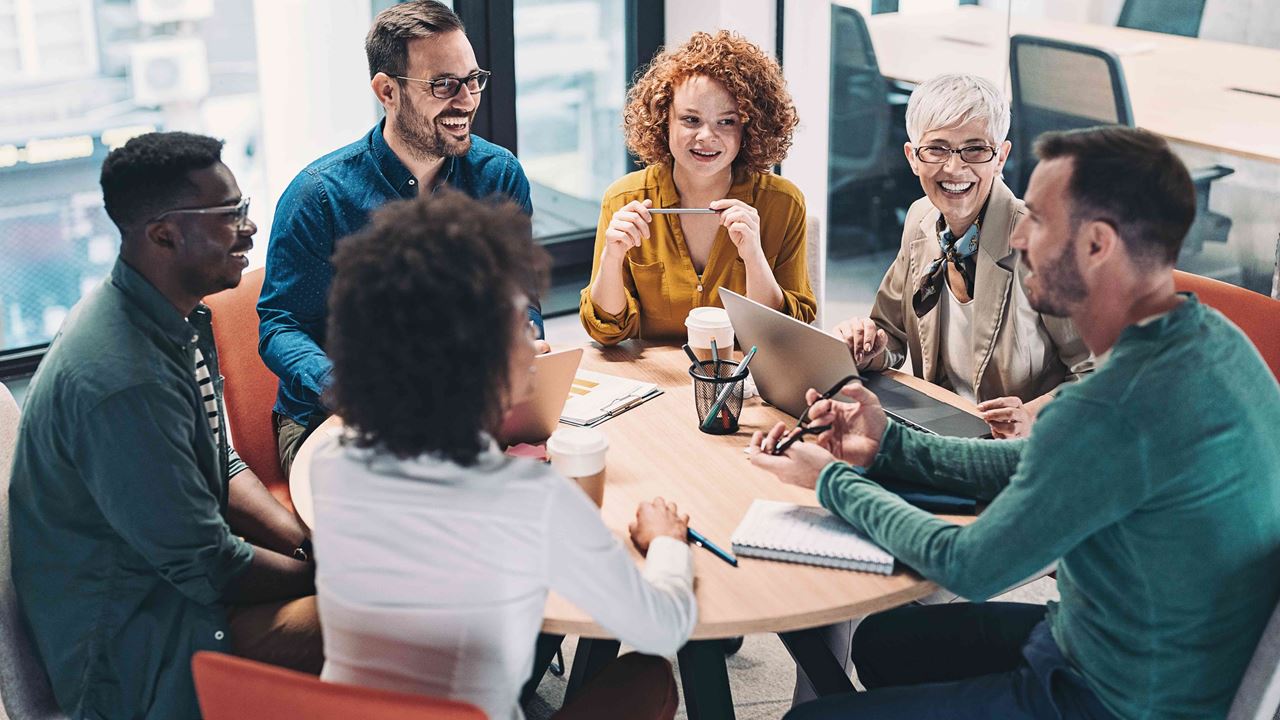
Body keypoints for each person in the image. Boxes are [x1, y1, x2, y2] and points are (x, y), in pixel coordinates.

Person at [748, 126, 1280, 719]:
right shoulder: (1214, 340)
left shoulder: (1109, 407)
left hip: (1108, 699)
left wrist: (831, 480)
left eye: (1040, 220)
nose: (1018, 235)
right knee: (882, 643)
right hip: (1125, 645)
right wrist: (886, 445)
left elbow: (970, 565)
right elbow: (1040, 461)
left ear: (1097, 245)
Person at [309, 189, 696, 720]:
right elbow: (665, 625)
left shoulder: (333, 463)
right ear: (474, 357)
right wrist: (667, 545)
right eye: (518, 325)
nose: (535, 343)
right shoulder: (530, 500)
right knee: (649, 677)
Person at [9, 132, 322, 720]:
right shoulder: (125, 379)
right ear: (163, 234)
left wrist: (308, 541)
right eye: (232, 215)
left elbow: (221, 465)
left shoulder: (166, 316)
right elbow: (211, 566)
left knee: (394, 595)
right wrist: (324, 574)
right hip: (137, 651)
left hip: (168, 592)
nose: (250, 229)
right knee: (398, 615)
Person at [259, 0, 543, 477]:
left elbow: (521, 297)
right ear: (386, 91)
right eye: (444, 85)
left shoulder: (498, 175)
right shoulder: (319, 195)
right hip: (332, 418)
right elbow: (280, 325)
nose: (468, 100)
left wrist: (524, 338)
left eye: (473, 80)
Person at [834, 74, 1091, 439]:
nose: (955, 168)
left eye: (975, 149)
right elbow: (890, 334)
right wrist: (864, 346)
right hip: (938, 431)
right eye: (937, 148)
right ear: (913, 157)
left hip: (1018, 452)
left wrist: (1035, 416)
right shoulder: (920, 218)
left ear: (1000, 156)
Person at [580, 30, 816, 344]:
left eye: (727, 121)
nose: (706, 136)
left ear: (750, 127)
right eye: (691, 120)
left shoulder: (783, 204)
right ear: (664, 121)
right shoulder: (624, 199)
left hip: (743, 384)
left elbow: (786, 335)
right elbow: (606, 330)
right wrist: (612, 257)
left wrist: (753, 256)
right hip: (656, 383)